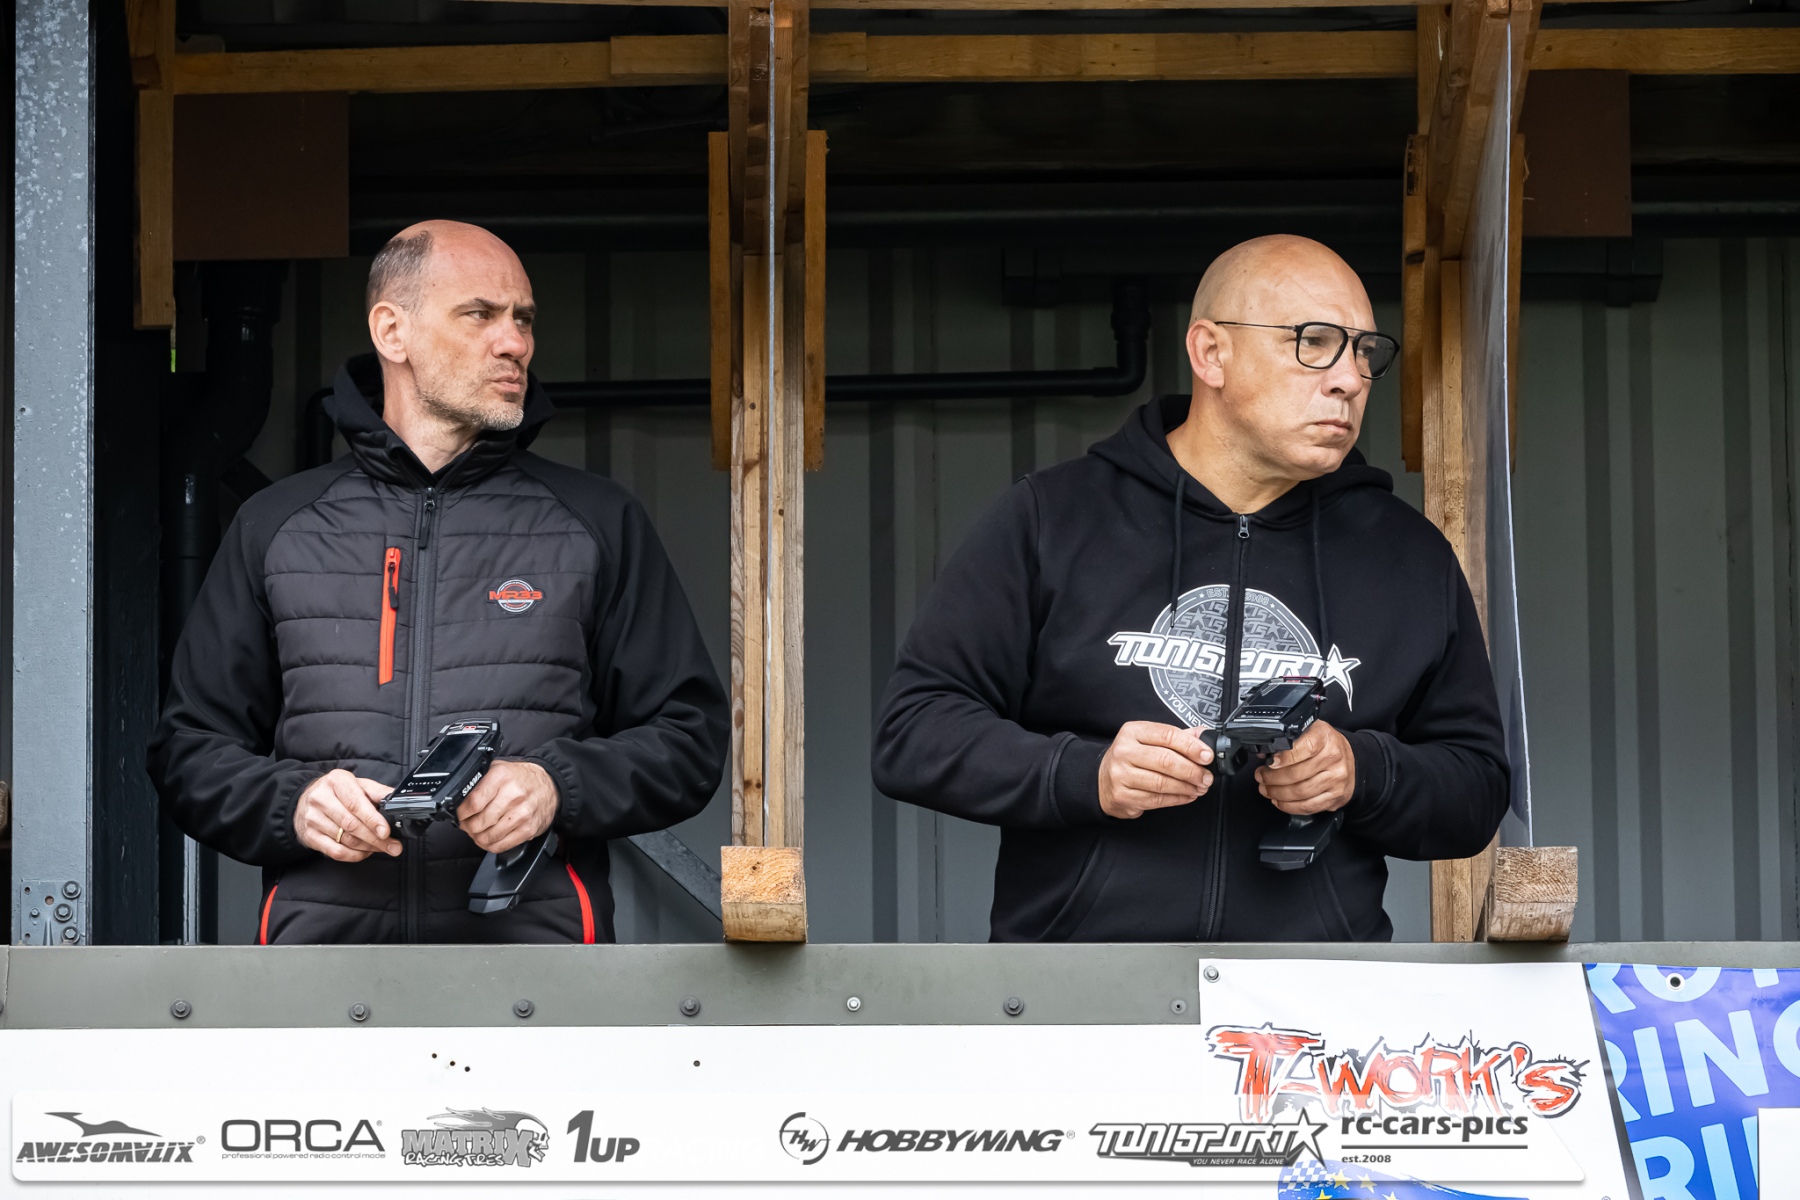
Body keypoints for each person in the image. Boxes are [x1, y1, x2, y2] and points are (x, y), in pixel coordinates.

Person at [872, 234, 1509, 942]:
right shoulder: (1054, 519)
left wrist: (1363, 772)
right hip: (1079, 988)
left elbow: (1478, 787)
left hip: (1313, 994)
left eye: (1363, 351)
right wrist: (1089, 774)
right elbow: (915, 732)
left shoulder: (1407, 555)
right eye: (1314, 342)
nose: (1350, 379)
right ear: (1210, 353)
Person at [150, 220, 728, 944]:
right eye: (480, 314)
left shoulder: (596, 520)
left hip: (540, 971)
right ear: (392, 331)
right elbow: (189, 750)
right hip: (324, 972)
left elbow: (689, 738)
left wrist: (557, 786)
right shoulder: (277, 525)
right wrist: (294, 803)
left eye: (523, 319)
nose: (514, 343)